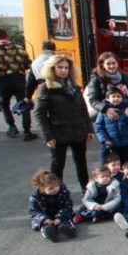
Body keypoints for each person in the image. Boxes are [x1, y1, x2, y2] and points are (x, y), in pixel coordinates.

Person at [34, 55, 94, 190]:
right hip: (58, 133)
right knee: (58, 164)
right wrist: (48, 136)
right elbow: (40, 114)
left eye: (66, 67)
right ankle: (56, 190)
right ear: (52, 69)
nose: (63, 70)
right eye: (60, 67)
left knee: (81, 163)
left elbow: (83, 109)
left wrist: (89, 129)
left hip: (78, 130)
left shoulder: (74, 86)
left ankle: (86, 190)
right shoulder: (46, 87)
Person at [0, 28, 35, 139]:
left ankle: (12, 127)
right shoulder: (20, 49)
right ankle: (27, 131)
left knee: (4, 104)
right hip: (19, 79)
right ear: (7, 35)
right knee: (24, 103)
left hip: (3, 80)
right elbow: (28, 64)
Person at [28, 170, 77, 242]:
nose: (55, 189)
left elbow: (67, 205)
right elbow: (33, 210)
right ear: (42, 188)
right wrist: (44, 219)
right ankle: (49, 232)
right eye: (51, 188)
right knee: (43, 225)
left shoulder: (63, 191)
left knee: (67, 219)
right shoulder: (36, 197)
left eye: (56, 186)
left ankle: (68, 229)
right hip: (46, 216)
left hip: (60, 213)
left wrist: (60, 217)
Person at [94, 87, 128, 164]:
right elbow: (99, 127)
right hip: (112, 144)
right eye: (113, 96)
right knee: (112, 166)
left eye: (119, 96)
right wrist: (104, 139)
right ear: (107, 98)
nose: (116, 98)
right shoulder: (104, 112)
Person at [85, 52, 128, 119]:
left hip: (125, 113)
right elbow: (93, 100)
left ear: (117, 63)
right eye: (108, 64)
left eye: (113, 63)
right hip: (106, 115)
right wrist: (106, 109)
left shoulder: (124, 76)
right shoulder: (96, 78)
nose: (112, 66)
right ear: (102, 65)